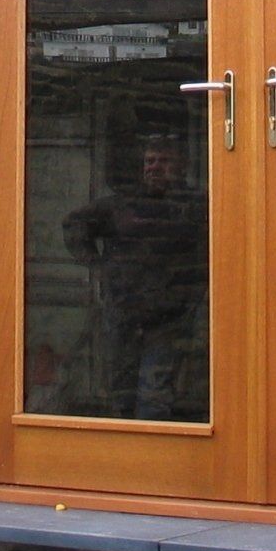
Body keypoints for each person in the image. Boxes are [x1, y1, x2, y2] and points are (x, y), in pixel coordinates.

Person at [62, 132, 208, 420]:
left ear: (181, 166)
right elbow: (74, 225)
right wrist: (98, 266)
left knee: (155, 396)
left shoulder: (195, 206)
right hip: (123, 314)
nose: (154, 167)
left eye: (163, 161)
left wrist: (194, 292)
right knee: (121, 392)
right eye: (150, 161)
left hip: (169, 318)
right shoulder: (122, 204)